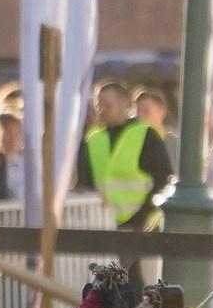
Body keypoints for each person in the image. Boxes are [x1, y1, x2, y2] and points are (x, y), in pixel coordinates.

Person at [74, 79, 172, 231]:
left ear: (124, 104)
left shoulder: (146, 135)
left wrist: (144, 219)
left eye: (108, 106)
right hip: (102, 224)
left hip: (141, 226)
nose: (102, 111)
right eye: (98, 106)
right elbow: (85, 185)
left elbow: (163, 179)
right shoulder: (91, 139)